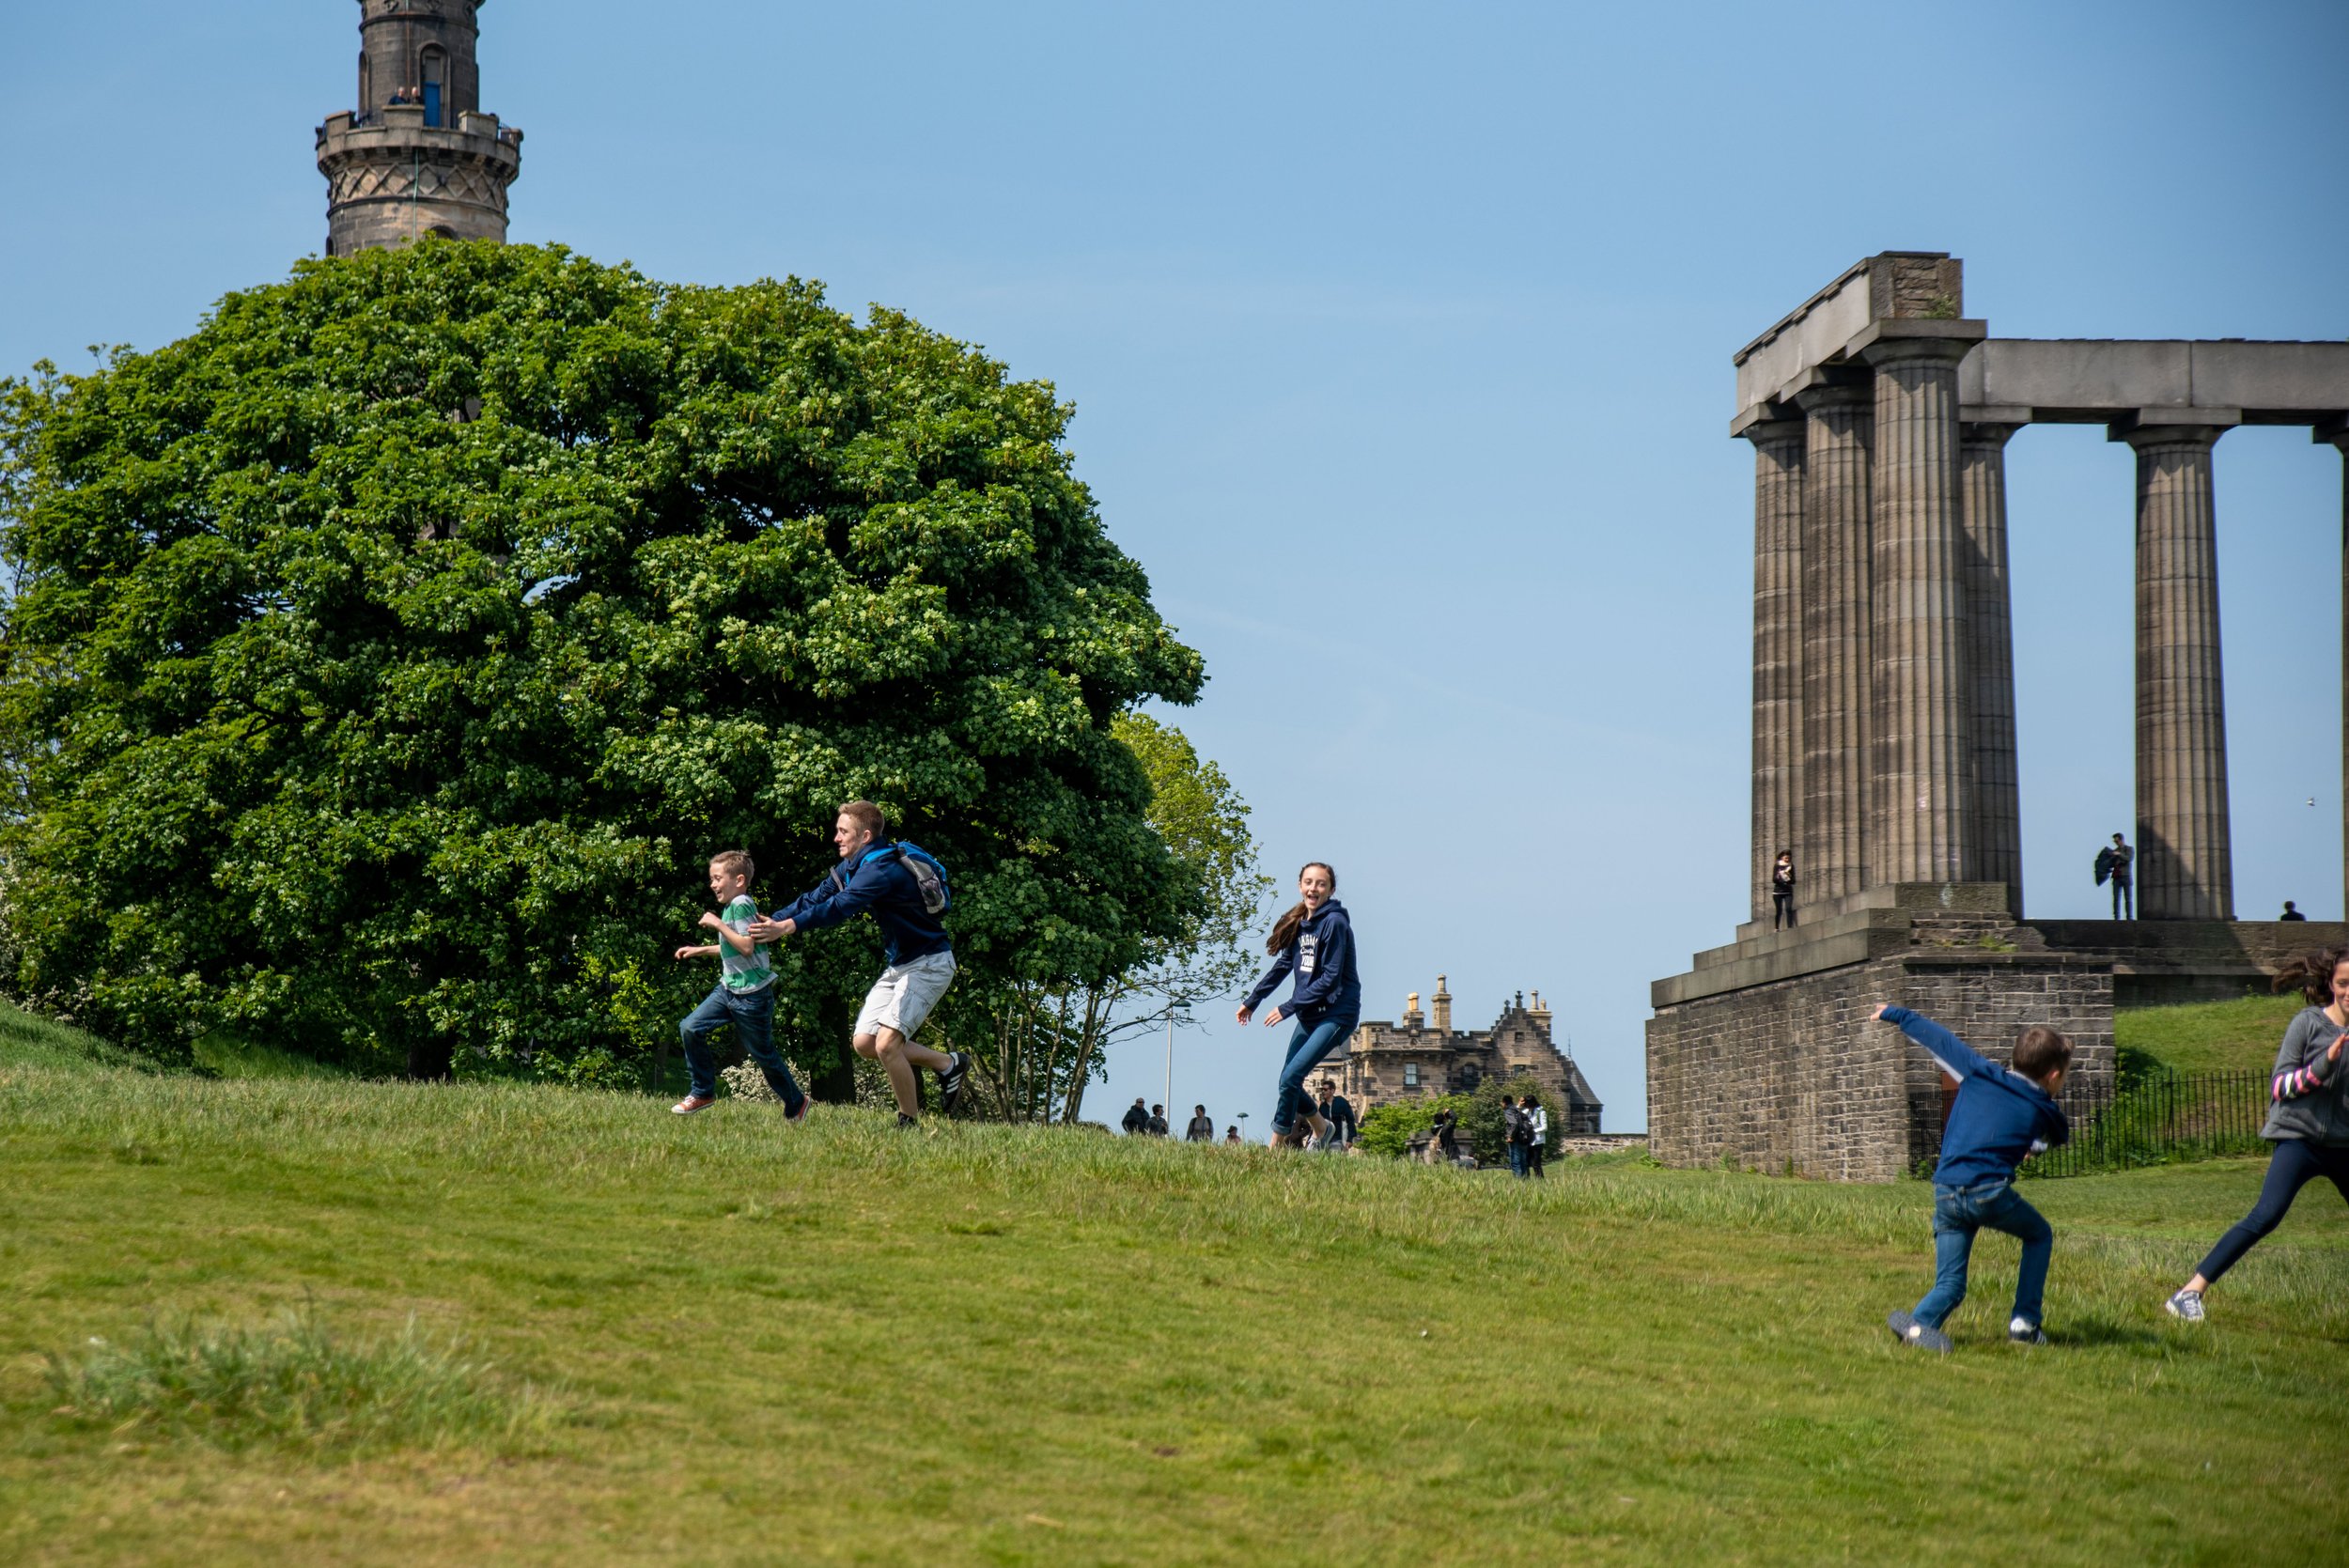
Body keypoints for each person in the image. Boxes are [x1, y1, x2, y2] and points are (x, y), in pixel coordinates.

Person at [748, 801, 970, 1128]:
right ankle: (948, 1064)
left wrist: (787, 928)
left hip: (930, 965)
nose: (836, 838)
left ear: (865, 836)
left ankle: (908, 1122)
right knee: (865, 1042)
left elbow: (841, 906)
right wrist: (774, 921)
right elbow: (817, 897)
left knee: (887, 1044)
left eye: (843, 832)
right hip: (901, 965)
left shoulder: (881, 871)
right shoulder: (854, 865)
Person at [2165, 948, 2349, 1323]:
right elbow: (2279, 1087)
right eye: (2344, 983)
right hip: (2298, 1140)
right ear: (2331, 984)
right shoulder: (2308, 1024)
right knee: (2266, 1215)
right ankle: (2189, 1292)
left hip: (2342, 1144)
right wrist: (2324, 1065)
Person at [1874, 1003, 2071, 1352]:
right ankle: (2025, 1323)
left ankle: (1919, 1324)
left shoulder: (1979, 1072)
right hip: (1988, 1193)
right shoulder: (2047, 1110)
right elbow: (2051, 1137)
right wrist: (2032, 1146)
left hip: (1946, 1191)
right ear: (2053, 1076)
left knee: (1951, 1284)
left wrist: (1896, 1013)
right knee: (2039, 1234)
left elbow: (1938, 1039)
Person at [669, 850, 812, 1121]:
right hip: (728, 990)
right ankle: (702, 1092)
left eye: (717, 878)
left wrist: (717, 924)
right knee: (690, 1027)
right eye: (712, 879)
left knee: (763, 1055)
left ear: (739, 880)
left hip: (752, 997)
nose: (712, 884)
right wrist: (699, 950)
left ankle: (797, 1102)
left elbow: (746, 947)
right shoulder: (733, 906)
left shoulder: (742, 903)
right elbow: (735, 947)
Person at [1237, 862, 1361, 1148]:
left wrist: (1287, 1007)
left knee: (1291, 1077)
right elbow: (1283, 965)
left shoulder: (1335, 923)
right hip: (1310, 1013)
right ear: (1300, 886)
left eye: (1320, 884)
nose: (1313, 888)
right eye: (1308, 882)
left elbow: (1330, 979)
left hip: (1337, 1014)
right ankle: (1322, 1127)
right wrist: (1253, 1001)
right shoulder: (1301, 923)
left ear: (1330, 890)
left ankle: (1275, 1148)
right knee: (1287, 1081)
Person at [2094, 832, 2135, 920]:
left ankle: (2129, 918)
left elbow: (2129, 858)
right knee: (2116, 899)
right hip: (2116, 877)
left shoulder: (2129, 849)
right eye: (2115, 841)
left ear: (2121, 840)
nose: (2116, 843)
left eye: (2117, 841)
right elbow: (2110, 864)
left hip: (2126, 876)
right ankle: (2116, 918)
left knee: (2128, 899)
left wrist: (2119, 854)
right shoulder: (2114, 852)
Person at [1501, 1094, 1532, 1178]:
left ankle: (1518, 1182)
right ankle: (1526, 1180)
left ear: (1504, 1103)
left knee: (1515, 1162)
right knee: (1523, 1161)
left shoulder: (1508, 1111)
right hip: (1523, 1138)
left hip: (1515, 1139)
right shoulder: (1517, 1109)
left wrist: (1510, 1136)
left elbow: (1513, 1123)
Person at [1323, 1079, 1358, 1147]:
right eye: (1322, 1089)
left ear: (1332, 1091)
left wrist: (1350, 1139)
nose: (1323, 1091)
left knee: (1335, 1151)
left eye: (1325, 1089)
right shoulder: (1322, 1107)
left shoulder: (1341, 1102)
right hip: (1325, 1140)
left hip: (1339, 1139)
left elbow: (1350, 1120)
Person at [1523, 1091, 1548, 1178]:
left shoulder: (1541, 1112)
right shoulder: (1528, 1111)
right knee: (1526, 1162)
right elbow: (1518, 1113)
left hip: (1538, 1141)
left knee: (1536, 1163)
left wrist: (1533, 1131)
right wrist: (1519, 1105)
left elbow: (1544, 1127)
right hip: (1529, 1140)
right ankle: (1527, 1179)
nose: (1526, 1107)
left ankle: (1540, 1180)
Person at [1771, 850, 1797, 930]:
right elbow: (1774, 879)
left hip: (1788, 891)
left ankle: (1789, 927)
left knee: (1788, 908)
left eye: (1789, 858)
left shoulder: (1791, 866)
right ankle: (1776, 928)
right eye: (1786, 858)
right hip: (1778, 891)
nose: (1787, 860)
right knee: (1779, 910)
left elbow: (1794, 881)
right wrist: (1779, 878)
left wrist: (1789, 878)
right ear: (1782, 857)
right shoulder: (1777, 865)